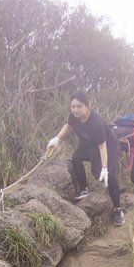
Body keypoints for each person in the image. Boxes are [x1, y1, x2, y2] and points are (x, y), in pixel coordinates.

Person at [47, 91, 125, 226]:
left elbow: (102, 146)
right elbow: (68, 125)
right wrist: (57, 139)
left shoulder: (96, 122)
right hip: (90, 146)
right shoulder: (74, 116)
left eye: (80, 106)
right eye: (73, 106)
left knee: (105, 176)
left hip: (109, 148)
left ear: (87, 106)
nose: (76, 110)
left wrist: (105, 169)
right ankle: (84, 189)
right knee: (76, 157)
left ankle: (118, 210)